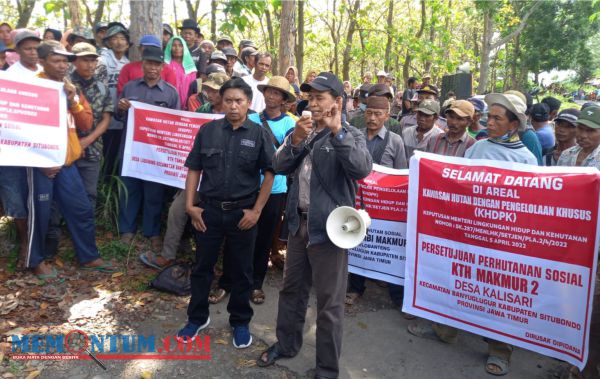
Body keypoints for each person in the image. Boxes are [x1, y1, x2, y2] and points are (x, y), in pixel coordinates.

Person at [256, 72, 372, 379]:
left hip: (330, 233)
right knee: (291, 290)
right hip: (298, 226)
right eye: (311, 98)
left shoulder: (351, 135)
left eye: (321, 98)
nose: (314, 104)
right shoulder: (301, 131)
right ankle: (286, 344)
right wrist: (294, 140)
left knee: (329, 305)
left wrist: (338, 134)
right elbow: (279, 166)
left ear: (338, 102)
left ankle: (326, 370)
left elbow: (361, 169)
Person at [176, 78, 276, 349]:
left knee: (242, 271)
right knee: (201, 269)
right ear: (221, 102)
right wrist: (190, 206)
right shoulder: (207, 131)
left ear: (248, 103)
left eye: (239, 101)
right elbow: (194, 168)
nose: (234, 106)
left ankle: (240, 322)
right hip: (207, 212)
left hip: (243, 214)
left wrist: (257, 211)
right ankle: (197, 318)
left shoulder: (259, 134)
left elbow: (270, 173)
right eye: (229, 100)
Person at [27, 40, 115, 279]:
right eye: (57, 60)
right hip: (41, 164)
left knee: (81, 208)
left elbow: (86, 123)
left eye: (65, 61)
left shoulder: (69, 87)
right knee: (41, 215)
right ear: (42, 62)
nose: (63, 65)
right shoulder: (33, 87)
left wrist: (74, 99)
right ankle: (37, 261)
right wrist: (42, 161)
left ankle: (88, 256)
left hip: (66, 161)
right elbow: (24, 128)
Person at [139, 72, 230, 270]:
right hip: (197, 174)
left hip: (223, 179)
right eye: (208, 89)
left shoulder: (234, 114)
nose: (209, 93)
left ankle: (212, 262)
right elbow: (187, 132)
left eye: (214, 90)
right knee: (177, 209)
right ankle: (168, 254)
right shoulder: (203, 110)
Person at [115, 46, 180, 247]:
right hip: (131, 150)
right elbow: (119, 117)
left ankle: (152, 232)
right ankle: (127, 230)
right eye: (149, 63)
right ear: (142, 64)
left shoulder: (171, 93)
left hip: (156, 153)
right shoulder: (130, 88)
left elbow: (175, 124)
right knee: (129, 190)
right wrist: (121, 108)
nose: (153, 68)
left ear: (162, 67)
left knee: (154, 193)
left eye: (157, 64)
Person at [556, 106, 600, 379]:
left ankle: (587, 365)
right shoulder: (568, 155)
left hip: (596, 243)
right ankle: (574, 354)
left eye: (590, 131)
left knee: (594, 308)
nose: (582, 135)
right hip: (568, 237)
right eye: (580, 129)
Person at [246, 76, 297, 304]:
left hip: (275, 188)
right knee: (242, 235)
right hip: (247, 186)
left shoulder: (290, 124)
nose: (271, 96)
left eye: (277, 93)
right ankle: (234, 280)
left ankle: (256, 283)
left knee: (265, 237)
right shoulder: (251, 119)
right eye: (269, 91)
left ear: (284, 99)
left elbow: (287, 157)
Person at [69, 42, 113, 209]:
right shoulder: (64, 85)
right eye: (85, 60)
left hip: (92, 150)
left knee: (89, 194)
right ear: (74, 61)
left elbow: (106, 119)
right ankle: (56, 232)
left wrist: (88, 140)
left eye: (93, 60)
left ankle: (86, 232)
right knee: (61, 195)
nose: (90, 65)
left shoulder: (102, 88)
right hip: (66, 149)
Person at [99, 25, 130, 177]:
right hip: (104, 115)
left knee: (116, 153)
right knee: (105, 154)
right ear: (109, 42)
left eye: (122, 39)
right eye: (115, 39)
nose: (119, 42)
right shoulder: (102, 60)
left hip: (121, 116)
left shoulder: (127, 62)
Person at [164, 36, 197, 109]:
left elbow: (193, 89)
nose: (177, 48)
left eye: (180, 45)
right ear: (169, 47)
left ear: (184, 47)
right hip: (168, 103)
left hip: (187, 106)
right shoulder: (165, 65)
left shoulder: (190, 66)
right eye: (174, 45)